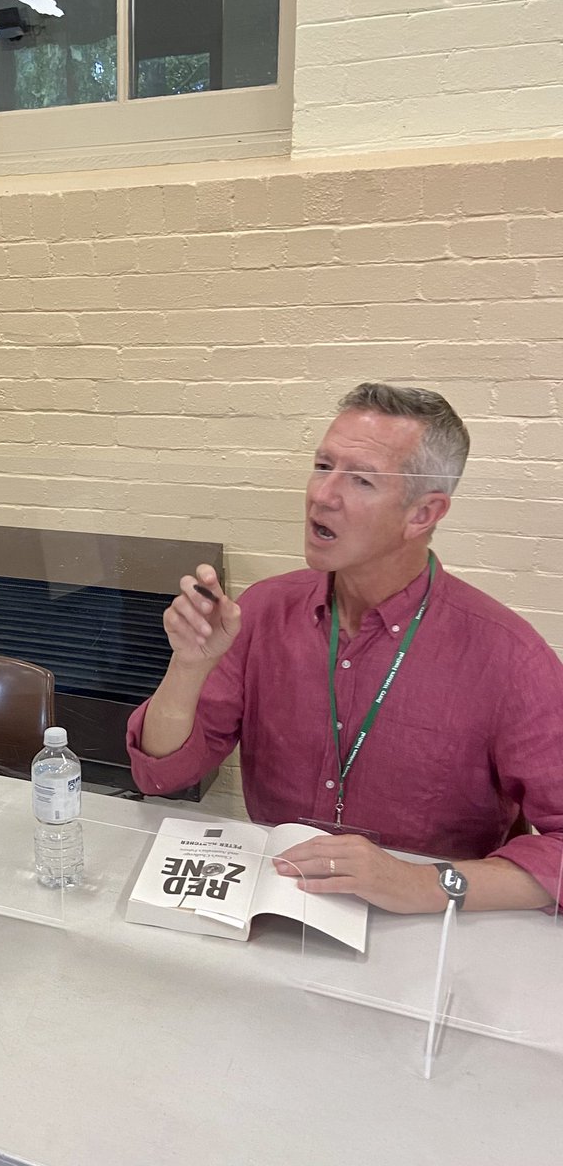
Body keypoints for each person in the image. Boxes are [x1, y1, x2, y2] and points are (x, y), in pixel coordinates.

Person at [128, 383, 563, 914]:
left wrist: (419, 884)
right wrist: (188, 668)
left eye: (360, 479)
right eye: (322, 465)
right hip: (280, 911)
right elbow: (161, 774)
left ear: (423, 514)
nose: (323, 495)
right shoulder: (265, 611)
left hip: (428, 936)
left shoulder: (507, 656)